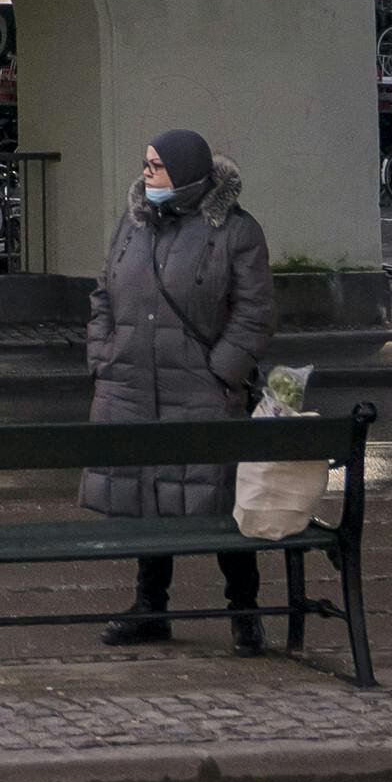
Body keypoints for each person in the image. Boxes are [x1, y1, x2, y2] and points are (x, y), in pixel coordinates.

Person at [85, 126, 278, 653]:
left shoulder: (236, 232)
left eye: (157, 167)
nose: (146, 175)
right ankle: (151, 607)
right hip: (131, 387)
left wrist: (222, 373)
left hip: (200, 392)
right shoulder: (133, 224)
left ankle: (244, 609)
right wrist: (103, 358)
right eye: (145, 165)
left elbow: (254, 313)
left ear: (188, 175)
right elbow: (104, 294)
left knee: (219, 505)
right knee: (149, 499)